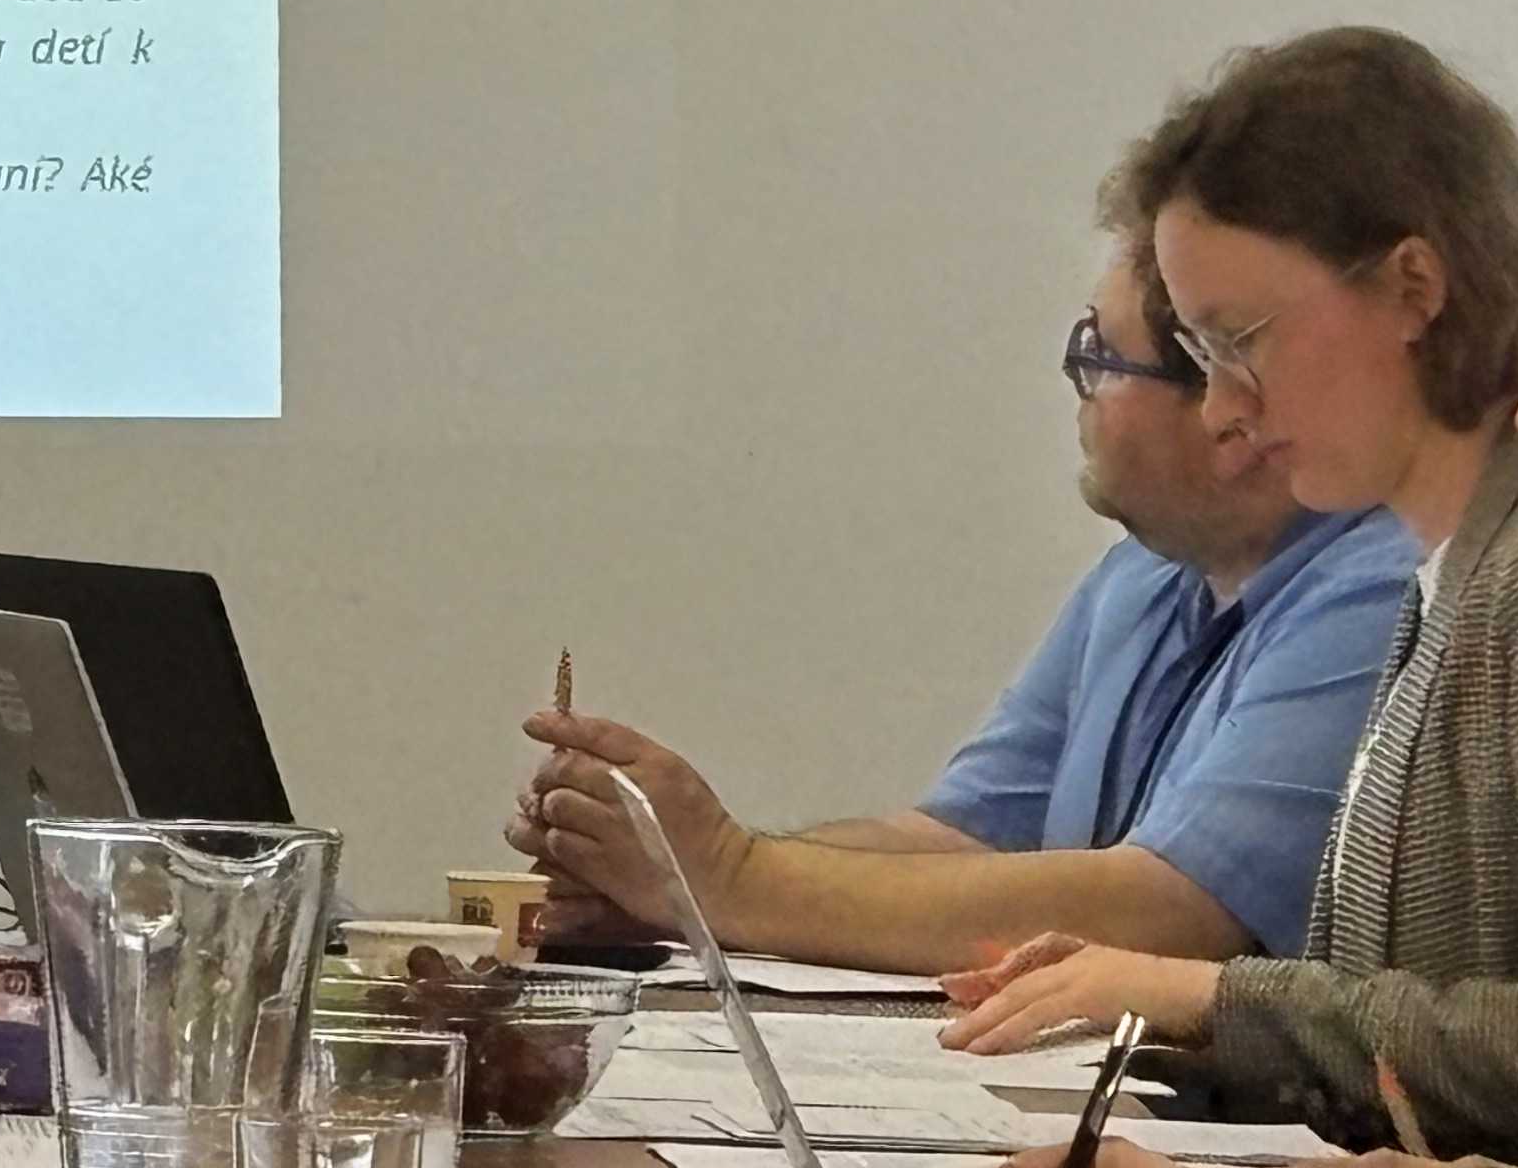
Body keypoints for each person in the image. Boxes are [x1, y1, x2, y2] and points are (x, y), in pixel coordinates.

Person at [989, 73, 1518, 1168]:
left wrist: (1211, 1002)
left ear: (1412, 289)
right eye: (1198, 357)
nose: (1226, 411)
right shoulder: (1449, 571)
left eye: (1242, 342)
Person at [513, 233, 1413, 972]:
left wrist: (727, 876)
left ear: (1226, 408)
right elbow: (967, 843)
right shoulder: (1143, 577)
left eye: (1099, 357)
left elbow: (1171, 913)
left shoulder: (1381, 587)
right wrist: (672, 887)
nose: (1076, 387)